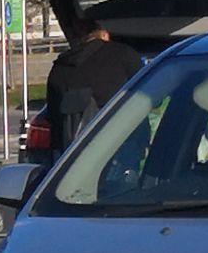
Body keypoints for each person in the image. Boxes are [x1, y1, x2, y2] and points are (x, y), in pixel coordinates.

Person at [44, 17, 141, 156]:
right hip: (121, 145)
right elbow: (148, 96)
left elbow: (53, 114)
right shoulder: (124, 55)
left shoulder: (61, 66)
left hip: (69, 155)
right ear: (104, 34)